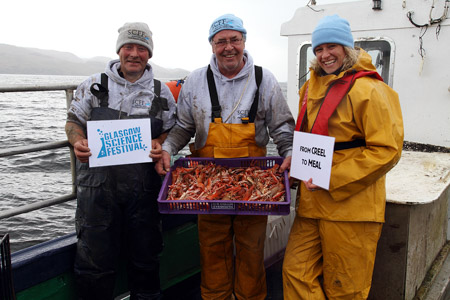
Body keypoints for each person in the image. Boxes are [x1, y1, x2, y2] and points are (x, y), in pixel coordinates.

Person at [155, 13, 295, 300]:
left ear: (244, 41)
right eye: (221, 42)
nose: (228, 47)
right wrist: (168, 149)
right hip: (208, 183)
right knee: (212, 249)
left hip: (253, 180)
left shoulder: (263, 78)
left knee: (252, 249)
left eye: (234, 40)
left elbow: (281, 127)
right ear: (211, 45)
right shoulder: (195, 80)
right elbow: (183, 126)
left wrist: (290, 152)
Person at [282, 15, 404, 299]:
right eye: (318, 49)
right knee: (295, 272)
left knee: (346, 289)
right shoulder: (309, 88)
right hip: (312, 203)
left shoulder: (371, 90)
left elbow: (387, 149)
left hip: (351, 207)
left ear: (347, 48)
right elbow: (307, 137)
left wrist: (332, 177)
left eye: (332, 46)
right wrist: (295, 163)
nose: (325, 55)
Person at [65, 22, 176, 300]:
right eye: (129, 46)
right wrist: (77, 141)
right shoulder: (93, 85)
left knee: (146, 260)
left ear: (149, 54)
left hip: (144, 191)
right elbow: (73, 121)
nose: (134, 54)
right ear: (119, 50)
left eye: (142, 48)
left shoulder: (161, 92)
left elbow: (173, 128)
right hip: (97, 192)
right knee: (94, 265)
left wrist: (159, 142)